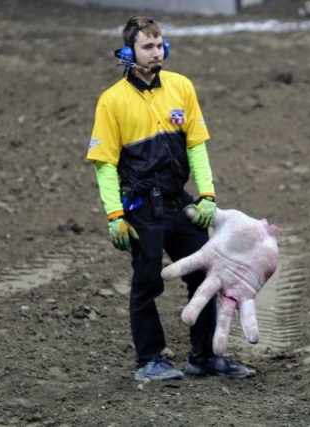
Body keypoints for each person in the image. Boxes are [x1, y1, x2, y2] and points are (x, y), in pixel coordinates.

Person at [86, 16, 250, 381]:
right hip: (141, 210)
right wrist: (115, 215)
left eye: (160, 46)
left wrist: (207, 195)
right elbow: (104, 165)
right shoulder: (111, 102)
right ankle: (150, 360)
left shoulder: (182, 87)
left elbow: (197, 145)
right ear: (129, 53)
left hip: (179, 202)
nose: (156, 53)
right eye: (148, 47)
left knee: (207, 273)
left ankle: (204, 358)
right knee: (147, 284)